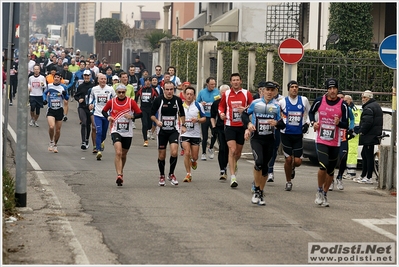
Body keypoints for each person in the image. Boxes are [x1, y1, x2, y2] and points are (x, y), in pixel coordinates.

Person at [241, 81, 284, 205]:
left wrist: (276, 123)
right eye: (267, 90)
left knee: (265, 168)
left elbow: (282, 124)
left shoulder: (277, 106)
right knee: (258, 162)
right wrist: (248, 124)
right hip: (257, 138)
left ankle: (261, 190)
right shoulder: (255, 103)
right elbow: (244, 114)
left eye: (272, 90)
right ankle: (257, 191)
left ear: (275, 92)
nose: (269, 92)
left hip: (270, 139)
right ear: (263, 91)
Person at [309, 78, 348, 207]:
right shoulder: (319, 101)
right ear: (327, 89)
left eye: (334, 88)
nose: (332, 91)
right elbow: (310, 112)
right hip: (321, 139)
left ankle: (325, 194)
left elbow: (346, 124)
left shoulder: (343, 105)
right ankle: (319, 190)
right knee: (323, 165)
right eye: (330, 88)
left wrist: (339, 123)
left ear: (337, 89)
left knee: (331, 171)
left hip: (335, 141)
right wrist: (313, 123)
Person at [102, 84, 143, 186]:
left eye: (123, 92)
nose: (121, 94)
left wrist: (132, 116)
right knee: (118, 152)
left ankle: (121, 171)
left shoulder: (130, 102)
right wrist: (108, 117)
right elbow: (104, 111)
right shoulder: (112, 102)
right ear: (116, 92)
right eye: (119, 92)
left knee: (124, 154)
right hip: (115, 129)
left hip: (127, 132)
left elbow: (140, 113)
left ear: (125, 92)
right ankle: (119, 175)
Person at [218, 73, 253, 187]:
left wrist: (245, 109)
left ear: (241, 81)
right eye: (234, 80)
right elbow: (221, 106)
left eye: (238, 80)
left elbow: (253, 107)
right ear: (231, 82)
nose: (236, 82)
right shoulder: (227, 94)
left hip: (241, 126)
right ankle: (233, 177)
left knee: (238, 152)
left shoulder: (246, 93)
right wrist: (222, 113)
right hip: (229, 125)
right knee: (232, 150)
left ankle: (234, 163)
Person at [151, 81, 186, 186]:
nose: (170, 92)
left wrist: (183, 125)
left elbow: (182, 114)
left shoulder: (177, 100)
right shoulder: (159, 100)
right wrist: (157, 122)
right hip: (162, 131)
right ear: (163, 89)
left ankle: (171, 174)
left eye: (171, 89)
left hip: (173, 130)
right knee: (162, 155)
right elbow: (152, 114)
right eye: (167, 89)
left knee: (174, 152)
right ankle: (162, 175)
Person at [278, 80, 311, 191]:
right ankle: (288, 181)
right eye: (292, 87)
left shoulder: (303, 100)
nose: (294, 89)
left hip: (298, 134)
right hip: (286, 134)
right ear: (288, 89)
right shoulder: (282, 101)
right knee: (288, 159)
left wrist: (307, 123)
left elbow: (310, 113)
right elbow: (276, 113)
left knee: (297, 161)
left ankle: (293, 168)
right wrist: (280, 122)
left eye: (296, 87)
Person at [355, 90, 383, 184]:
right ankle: (364, 175)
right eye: (362, 97)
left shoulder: (369, 107)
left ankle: (368, 177)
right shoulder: (375, 106)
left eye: (364, 98)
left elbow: (367, 122)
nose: (363, 99)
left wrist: (362, 131)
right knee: (365, 154)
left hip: (369, 135)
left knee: (368, 156)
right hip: (373, 134)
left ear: (369, 98)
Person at [180, 86, 206, 182]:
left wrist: (197, 120)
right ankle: (188, 174)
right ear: (184, 95)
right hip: (184, 134)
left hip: (195, 134)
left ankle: (193, 161)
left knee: (194, 156)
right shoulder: (181, 106)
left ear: (194, 96)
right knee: (186, 152)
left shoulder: (198, 105)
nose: (189, 96)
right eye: (187, 94)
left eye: (191, 94)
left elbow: (204, 118)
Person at [89, 73, 116, 160]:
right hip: (97, 114)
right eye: (101, 79)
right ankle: (98, 150)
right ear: (98, 80)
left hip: (106, 114)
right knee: (98, 131)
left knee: (104, 133)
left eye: (105, 79)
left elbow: (115, 99)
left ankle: (101, 142)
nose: (103, 80)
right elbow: (91, 97)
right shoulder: (94, 89)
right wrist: (90, 104)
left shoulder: (110, 89)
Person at [331, 91, 354, 191]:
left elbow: (352, 119)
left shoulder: (347, 109)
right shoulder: (331, 108)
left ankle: (339, 177)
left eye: (343, 99)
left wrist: (350, 128)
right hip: (332, 137)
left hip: (343, 137)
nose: (341, 100)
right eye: (339, 98)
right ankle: (330, 179)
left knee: (343, 158)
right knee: (331, 160)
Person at [42, 72, 70, 153]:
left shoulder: (63, 87)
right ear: (53, 78)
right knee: (51, 126)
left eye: (58, 77)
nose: (56, 78)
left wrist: (65, 94)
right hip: (51, 109)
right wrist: (44, 100)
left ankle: (55, 144)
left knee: (57, 130)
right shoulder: (49, 86)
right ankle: (51, 141)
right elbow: (44, 93)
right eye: (55, 77)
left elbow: (67, 98)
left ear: (60, 79)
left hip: (59, 109)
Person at [196, 77, 220, 161]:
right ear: (207, 84)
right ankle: (203, 153)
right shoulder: (202, 92)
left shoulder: (217, 92)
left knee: (215, 133)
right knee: (205, 136)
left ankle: (211, 147)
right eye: (211, 84)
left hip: (213, 117)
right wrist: (201, 103)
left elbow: (220, 102)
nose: (213, 86)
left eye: (214, 84)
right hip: (205, 117)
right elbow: (196, 102)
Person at [210, 84, 230, 180]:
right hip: (220, 128)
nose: (224, 94)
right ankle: (223, 169)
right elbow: (212, 116)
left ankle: (231, 163)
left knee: (230, 149)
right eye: (223, 93)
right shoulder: (216, 103)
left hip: (231, 128)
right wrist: (214, 128)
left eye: (226, 92)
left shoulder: (232, 102)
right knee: (222, 148)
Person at [266, 81, 284, 182]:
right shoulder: (263, 99)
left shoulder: (281, 100)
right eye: (269, 89)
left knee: (274, 150)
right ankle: (264, 169)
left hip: (276, 129)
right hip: (263, 129)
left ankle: (270, 170)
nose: (272, 91)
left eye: (274, 89)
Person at [135, 76, 159, 146]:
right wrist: (135, 108)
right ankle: (145, 140)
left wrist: (155, 104)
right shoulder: (140, 89)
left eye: (149, 81)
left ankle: (149, 129)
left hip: (150, 110)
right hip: (143, 109)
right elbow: (136, 98)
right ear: (144, 82)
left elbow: (158, 99)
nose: (148, 82)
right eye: (146, 81)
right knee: (144, 124)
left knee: (149, 125)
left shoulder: (153, 90)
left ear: (151, 82)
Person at [74, 69, 95, 150]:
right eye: (85, 75)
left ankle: (87, 139)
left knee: (88, 124)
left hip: (89, 108)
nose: (86, 77)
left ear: (90, 76)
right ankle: (83, 141)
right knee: (84, 123)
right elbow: (76, 95)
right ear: (83, 76)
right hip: (82, 107)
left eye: (88, 75)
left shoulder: (93, 86)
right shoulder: (80, 86)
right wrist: (79, 99)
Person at [345, 95, 361, 180]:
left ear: (350, 100)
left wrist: (353, 133)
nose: (345, 101)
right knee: (349, 153)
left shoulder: (354, 110)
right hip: (349, 134)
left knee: (352, 153)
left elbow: (357, 123)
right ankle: (349, 172)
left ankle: (352, 173)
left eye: (346, 100)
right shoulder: (347, 108)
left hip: (353, 135)